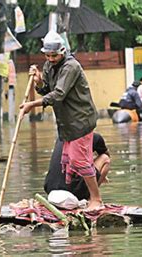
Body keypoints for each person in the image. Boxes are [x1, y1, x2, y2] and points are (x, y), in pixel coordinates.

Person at [19, 31, 102, 211]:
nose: (50, 58)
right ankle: (75, 200)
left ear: (62, 51)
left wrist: (31, 105)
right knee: (69, 162)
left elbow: (58, 94)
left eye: (54, 55)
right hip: (66, 123)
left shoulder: (71, 67)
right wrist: (39, 80)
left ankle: (96, 199)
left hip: (81, 120)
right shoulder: (49, 65)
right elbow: (46, 90)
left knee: (79, 161)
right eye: (47, 55)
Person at [44, 133, 110, 201]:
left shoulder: (61, 137)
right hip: (74, 192)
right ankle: (93, 199)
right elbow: (105, 154)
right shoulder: (94, 137)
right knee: (105, 158)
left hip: (50, 189)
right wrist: (101, 176)